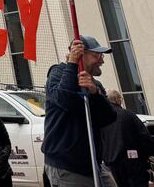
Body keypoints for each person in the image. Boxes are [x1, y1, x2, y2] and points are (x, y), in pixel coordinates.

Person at [43, 36, 117, 187]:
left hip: (93, 164)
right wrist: (72, 63)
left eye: (101, 56)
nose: (101, 60)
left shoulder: (95, 84)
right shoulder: (58, 73)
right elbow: (64, 99)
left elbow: (108, 117)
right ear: (80, 54)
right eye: (97, 55)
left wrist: (95, 93)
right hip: (67, 165)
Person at [101, 89, 154, 187]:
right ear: (117, 100)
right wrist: (148, 154)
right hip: (133, 164)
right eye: (120, 98)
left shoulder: (101, 119)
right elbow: (145, 137)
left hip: (112, 166)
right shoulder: (128, 115)